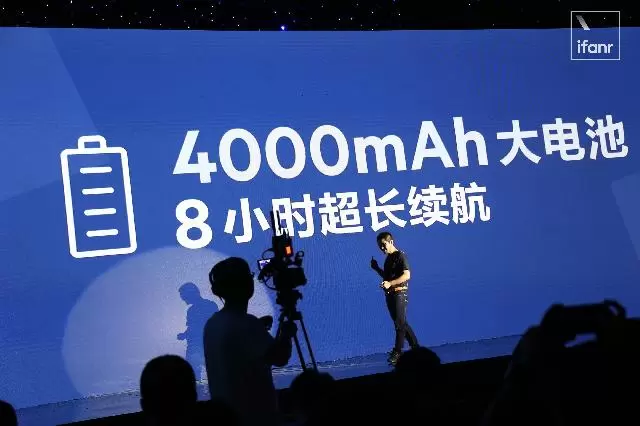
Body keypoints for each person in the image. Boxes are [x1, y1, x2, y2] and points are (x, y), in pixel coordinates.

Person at [203, 257, 296, 426]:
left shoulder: (212, 323)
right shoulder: (248, 324)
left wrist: (257, 329)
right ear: (247, 284)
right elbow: (280, 357)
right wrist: (287, 333)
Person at [370, 231, 419, 365]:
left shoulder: (400, 256)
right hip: (390, 295)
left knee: (399, 324)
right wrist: (376, 268)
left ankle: (397, 352)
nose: (382, 248)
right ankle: (416, 349)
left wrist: (390, 283)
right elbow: (387, 278)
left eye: (383, 244)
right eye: (379, 246)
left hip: (399, 294)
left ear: (391, 242)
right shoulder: (388, 259)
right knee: (402, 324)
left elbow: (407, 275)